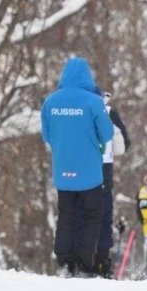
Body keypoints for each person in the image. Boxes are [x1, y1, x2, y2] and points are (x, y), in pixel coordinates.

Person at [41, 57, 114, 276]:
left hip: (63, 170)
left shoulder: (50, 102)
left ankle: (64, 261)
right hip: (90, 172)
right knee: (92, 215)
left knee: (66, 214)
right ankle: (84, 262)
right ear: (88, 77)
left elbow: (46, 135)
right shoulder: (94, 102)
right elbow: (107, 134)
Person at [92, 90, 132, 278]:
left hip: (73, 175)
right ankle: (101, 261)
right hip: (101, 175)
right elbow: (123, 145)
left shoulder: (72, 108)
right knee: (103, 219)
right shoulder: (107, 112)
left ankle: (77, 259)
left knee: (76, 216)